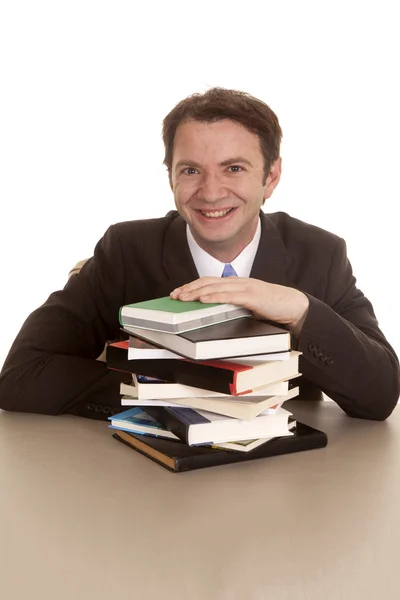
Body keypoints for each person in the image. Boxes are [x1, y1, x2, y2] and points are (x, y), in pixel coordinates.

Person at [0, 88, 399, 421]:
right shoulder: (126, 251)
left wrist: (301, 310)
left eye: (234, 169)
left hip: (285, 477)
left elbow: (380, 395)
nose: (210, 192)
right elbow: (21, 375)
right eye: (191, 170)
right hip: (153, 480)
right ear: (170, 174)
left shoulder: (319, 254)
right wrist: (166, 394)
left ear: (271, 176)